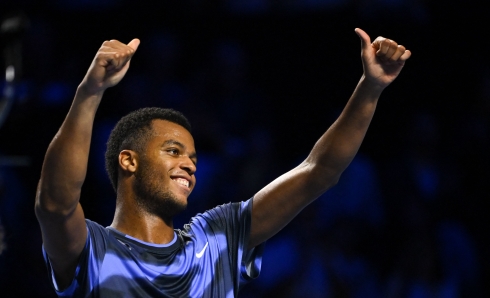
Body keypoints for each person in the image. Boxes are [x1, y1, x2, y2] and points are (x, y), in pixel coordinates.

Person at [35, 28, 411, 297]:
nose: (190, 164)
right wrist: (89, 92)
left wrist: (370, 88)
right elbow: (55, 203)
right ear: (129, 161)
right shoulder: (91, 249)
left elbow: (318, 172)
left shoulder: (216, 240)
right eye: (173, 150)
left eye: (194, 157)